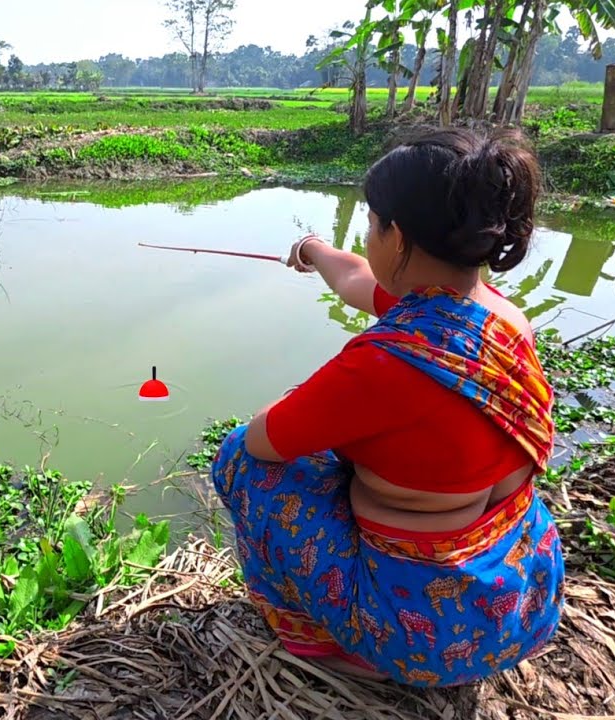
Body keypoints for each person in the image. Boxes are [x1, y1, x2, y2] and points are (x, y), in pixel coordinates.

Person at [210, 126, 563, 688]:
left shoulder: (385, 367)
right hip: (520, 602)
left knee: (239, 458)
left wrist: (287, 402)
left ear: (395, 238)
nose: (367, 235)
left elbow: (260, 441)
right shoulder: (502, 319)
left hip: (424, 636)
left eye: (372, 223)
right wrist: (313, 251)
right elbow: (357, 280)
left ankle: (325, 640)